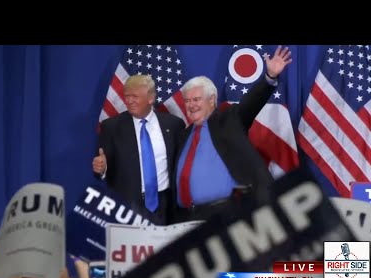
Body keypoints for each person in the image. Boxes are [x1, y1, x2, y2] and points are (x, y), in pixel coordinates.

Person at [174, 46, 292, 222]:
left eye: (196, 99)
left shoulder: (229, 120)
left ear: (212, 99)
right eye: (187, 101)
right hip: (186, 219)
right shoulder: (182, 135)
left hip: (227, 214)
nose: (191, 105)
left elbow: (250, 104)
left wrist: (270, 77)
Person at [93, 74, 185, 225]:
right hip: (128, 206)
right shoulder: (111, 127)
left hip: (165, 205)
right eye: (126, 96)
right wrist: (102, 169)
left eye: (134, 96)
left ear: (150, 98)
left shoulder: (174, 125)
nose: (129, 101)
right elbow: (101, 170)